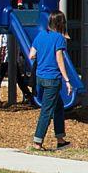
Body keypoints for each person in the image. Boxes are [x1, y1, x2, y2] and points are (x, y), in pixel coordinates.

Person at [27, 10, 76, 151]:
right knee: (47, 111)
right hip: (52, 79)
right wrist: (67, 80)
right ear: (61, 23)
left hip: (40, 78)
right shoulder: (59, 39)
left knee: (58, 106)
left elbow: (31, 55)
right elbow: (60, 60)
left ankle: (60, 139)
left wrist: (43, 57)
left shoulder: (41, 35)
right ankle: (37, 142)